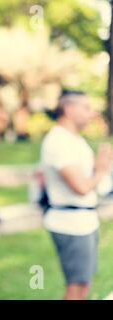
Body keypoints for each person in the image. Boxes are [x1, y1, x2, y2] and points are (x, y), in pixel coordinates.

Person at [40, 89, 113, 300]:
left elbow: (96, 184)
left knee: (84, 284)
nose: (91, 113)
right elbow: (80, 186)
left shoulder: (76, 141)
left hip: (86, 221)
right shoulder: (57, 141)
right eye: (86, 107)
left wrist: (103, 168)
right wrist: (100, 169)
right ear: (69, 109)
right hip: (69, 224)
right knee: (77, 287)